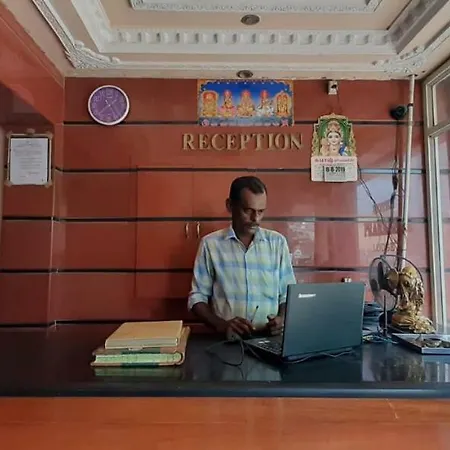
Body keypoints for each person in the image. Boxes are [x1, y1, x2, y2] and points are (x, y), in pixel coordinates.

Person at [188, 176, 296, 339]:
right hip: (226, 341)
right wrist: (221, 325)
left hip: (269, 340)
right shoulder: (210, 245)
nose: (255, 219)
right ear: (230, 206)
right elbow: (197, 297)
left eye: (260, 211)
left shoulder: (277, 243)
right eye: (248, 211)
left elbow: (288, 295)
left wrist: (282, 319)